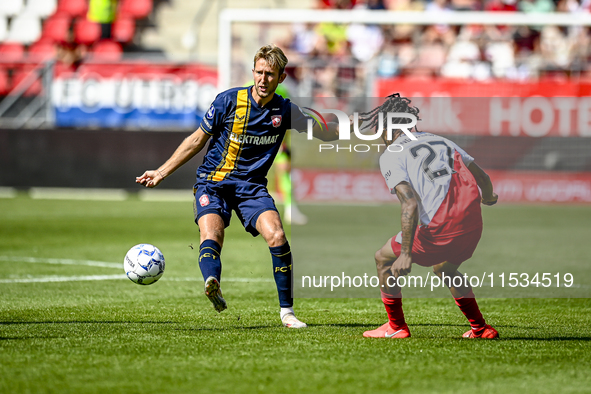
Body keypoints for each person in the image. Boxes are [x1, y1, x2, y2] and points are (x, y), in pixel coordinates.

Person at [136, 44, 341, 328]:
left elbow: (323, 131)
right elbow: (196, 140)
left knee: (278, 236)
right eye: (259, 72)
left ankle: (287, 313)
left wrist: (345, 129)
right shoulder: (228, 101)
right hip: (213, 183)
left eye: (270, 74)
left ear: (281, 77)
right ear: (253, 71)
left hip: (251, 188)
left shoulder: (285, 110)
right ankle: (212, 282)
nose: (262, 79)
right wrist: (161, 172)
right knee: (212, 234)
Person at [361, 94, 499, 339]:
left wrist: (405, 254)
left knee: (382, 258)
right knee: (445, 268)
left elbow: (410, 204)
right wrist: (488, 197)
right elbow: (484, 180)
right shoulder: (442, 141)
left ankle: (395, 327)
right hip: (472, 227)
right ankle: (480, 328)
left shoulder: (392, 154)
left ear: (386, 128)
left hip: (440, 230)